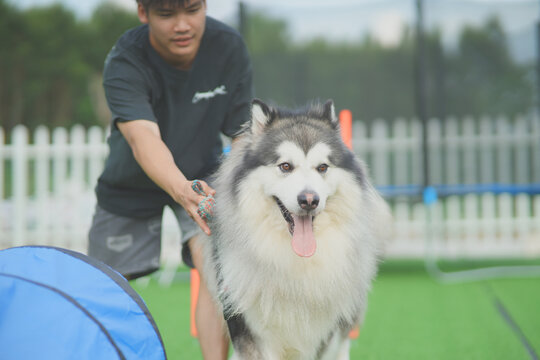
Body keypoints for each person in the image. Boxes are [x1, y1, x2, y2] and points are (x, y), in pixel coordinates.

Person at [87, 0, 253, 359]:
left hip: (203, 175)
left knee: (216, 275)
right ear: (143, 12)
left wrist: (238, 194)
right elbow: (142, 137)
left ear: (206, 6)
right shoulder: (125, 60)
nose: (182, 25)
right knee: (103, 288)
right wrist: (181, 190)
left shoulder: (229, 48)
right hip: (129, 183)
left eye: (192, 10)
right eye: (166, 14)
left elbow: (243, 138)